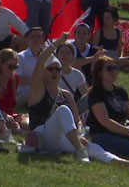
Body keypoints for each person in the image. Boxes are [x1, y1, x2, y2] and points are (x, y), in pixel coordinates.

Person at [23, 32, 93, 162]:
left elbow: (77, 120)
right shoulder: (37, 89)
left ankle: (126, 163)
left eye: (58, 69)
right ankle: (80, 151)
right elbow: (41, 59)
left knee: (91, 146)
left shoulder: (66, 94)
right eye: (50, 69)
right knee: (63, 110)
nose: (54, 72)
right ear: (43, 71)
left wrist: (79, 132)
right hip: (43, 135)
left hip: (61, 137)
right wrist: (59, 40)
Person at [0, 49, 28, 137]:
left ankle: (24, 130)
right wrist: (4, 115)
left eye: (15, 67)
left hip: (9, 116)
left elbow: (11, 105)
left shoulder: (14, 79)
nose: (12, 70)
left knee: (25, 117)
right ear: (1, 64)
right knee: (14, 125)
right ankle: (23, 132)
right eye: (10, 67)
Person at [55, 42, 89, 114]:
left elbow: (85, 94)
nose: (65, 55)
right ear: (57, 55)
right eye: (62, 52)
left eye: (68, 53)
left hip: (71, 107)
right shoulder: (51, 72)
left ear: (73, 57)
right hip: (54, 106)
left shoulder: (77, 74)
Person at [15, 27, 46, 105]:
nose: (35, 39)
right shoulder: (20, 57)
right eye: (33, 37)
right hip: (24, 94)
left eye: (38, 37)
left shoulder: (47, 57)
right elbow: (17, 79)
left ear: (43, 40)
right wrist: (36, 79)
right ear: (27, 39)